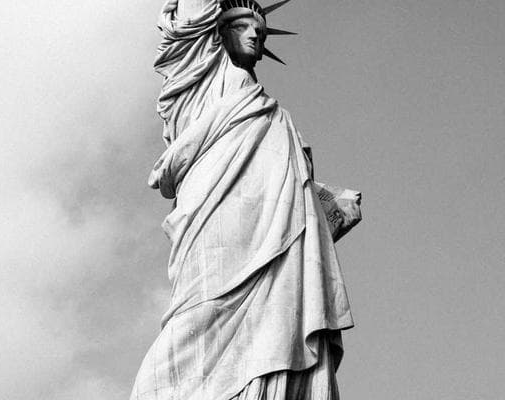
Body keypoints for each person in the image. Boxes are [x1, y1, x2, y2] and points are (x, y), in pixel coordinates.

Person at [132, 0, 356, 398]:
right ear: (217, 32)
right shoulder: (201, 84)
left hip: (276, 242)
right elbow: (193, 17)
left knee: (277, 325)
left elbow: (291, 193)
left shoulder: (273, 115)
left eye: (261, 31)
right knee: (196, 325)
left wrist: (328, 208)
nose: (255, 34)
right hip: (215, 226)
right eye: (242, 25)